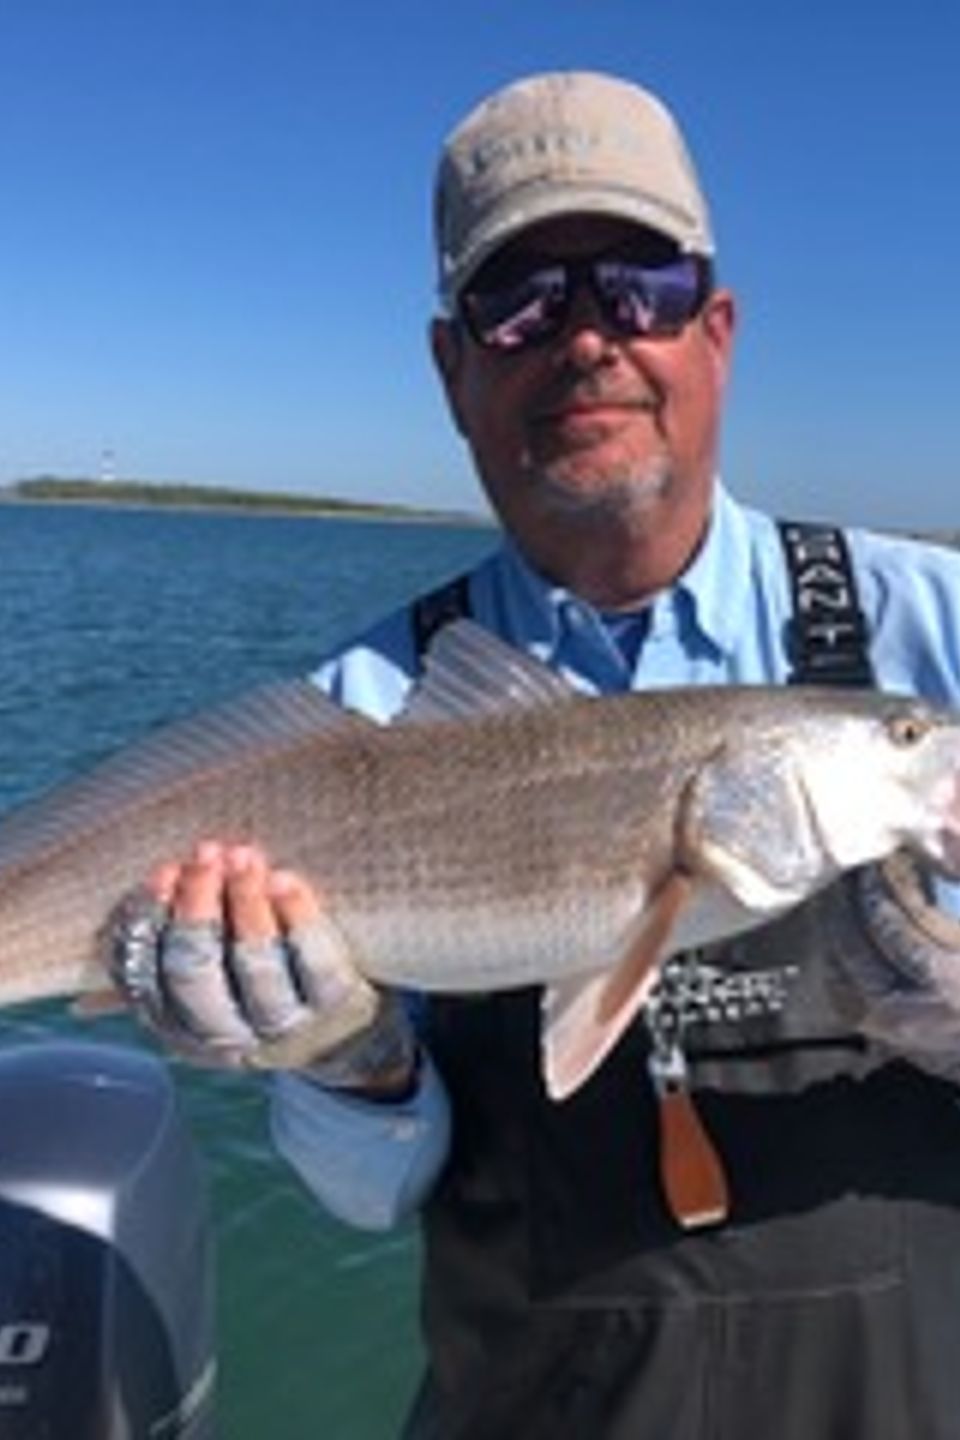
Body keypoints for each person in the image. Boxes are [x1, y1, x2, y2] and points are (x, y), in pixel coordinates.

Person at [115, 71, 960, 1439]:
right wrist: (346, 1060)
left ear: (718, 332)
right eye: (518, 300)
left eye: (641, 285)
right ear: (453, 369)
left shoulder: (933, 624)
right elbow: (364, 1199)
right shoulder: (363, 711)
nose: (587, 339)